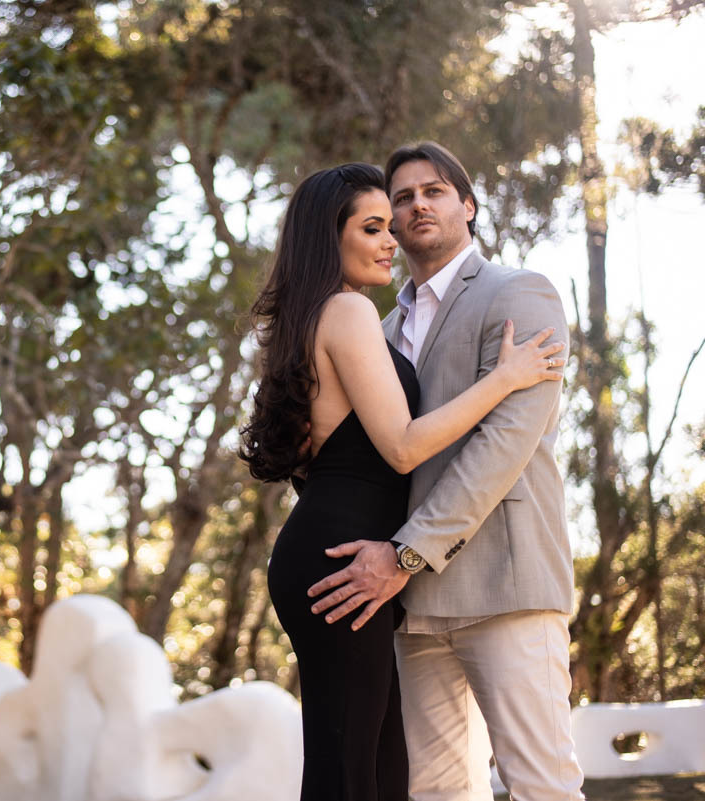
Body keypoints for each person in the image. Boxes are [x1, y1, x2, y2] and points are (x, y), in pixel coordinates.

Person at [238, 161, 565, 801]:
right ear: (329, 238)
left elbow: (315, 459)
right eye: (374, 226)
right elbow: (404, 447)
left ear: (468, 205)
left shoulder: (311, 322)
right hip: (348, 561)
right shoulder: (354, 313)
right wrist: (504, 377)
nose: (391, 238)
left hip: (334, 550)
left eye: (395, 222)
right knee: (354, 768)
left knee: (367, 765)